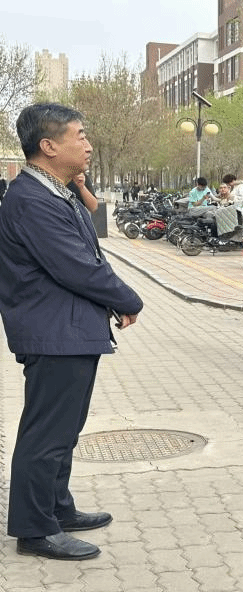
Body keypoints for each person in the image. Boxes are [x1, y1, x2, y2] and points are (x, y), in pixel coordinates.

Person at [0, 103, 143, 560]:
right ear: (48, 145)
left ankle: (57, 508)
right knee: (46, 434)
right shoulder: (31, 199)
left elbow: (88, 252)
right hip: (53, 332)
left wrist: (112, 299)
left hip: (69, 329)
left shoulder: (54, 191)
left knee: (64, 431)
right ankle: (35, 529)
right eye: (79, 136)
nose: (88, 144)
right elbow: (76, 266)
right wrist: (127, 299)